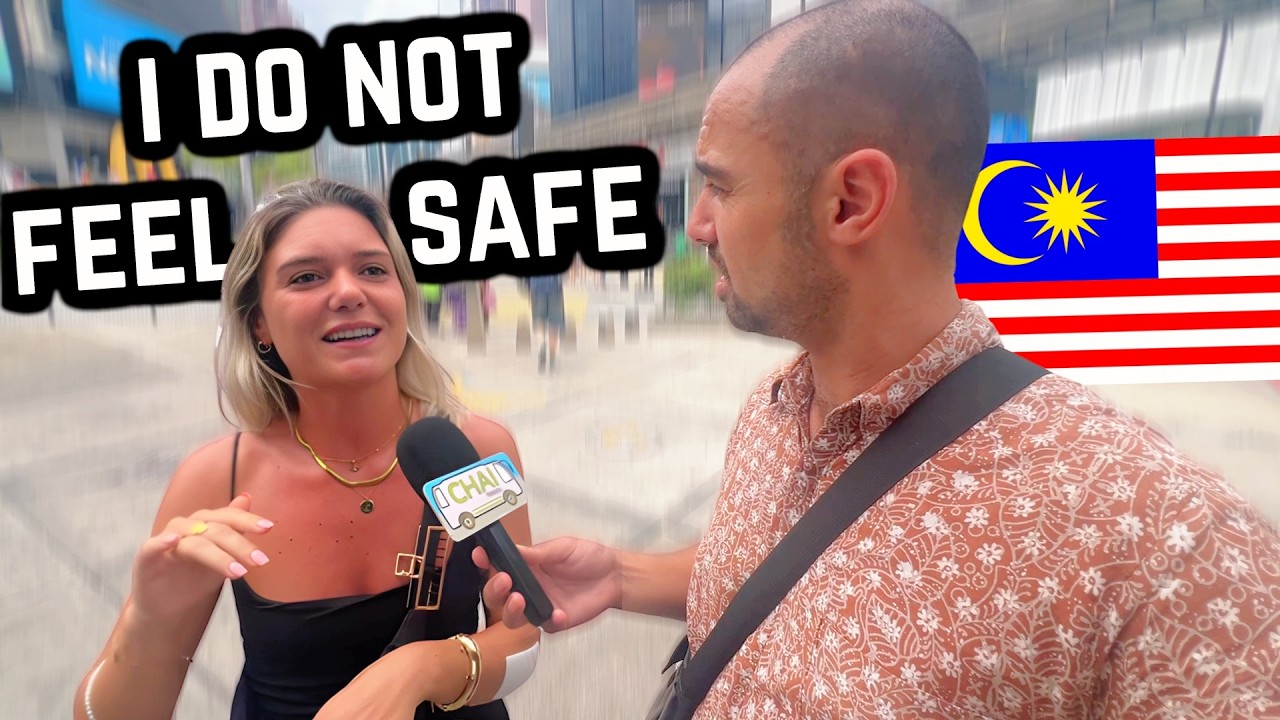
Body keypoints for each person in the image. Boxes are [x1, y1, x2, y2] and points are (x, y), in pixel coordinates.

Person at [475, 1, 1280, 718]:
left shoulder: (1169, 549)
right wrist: (622, 575)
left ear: (851, 201)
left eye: (720, 187)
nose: (697, 226)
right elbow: (794, 575)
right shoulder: (774, 406)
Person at [74, 178, 542, 720]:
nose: (348, 292)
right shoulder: (217, 480)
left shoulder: (474, 447)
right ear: (260, 323)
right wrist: (149, 624)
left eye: (373, 270)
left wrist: (422, 670)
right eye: (306, 277)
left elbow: (522, 630)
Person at [527, 274, 566, 374]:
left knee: (539, 320)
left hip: (536, 287)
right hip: (554, 288)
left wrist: (528, 285)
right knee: (554, 324)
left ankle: (541, 345)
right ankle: (552, 360)